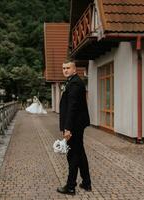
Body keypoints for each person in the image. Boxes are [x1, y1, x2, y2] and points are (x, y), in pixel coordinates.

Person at [57, 61, 91, 195]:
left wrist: (68, 128)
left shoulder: (75, 83)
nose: (65, 70)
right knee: (80, 154)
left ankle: (70, 186)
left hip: (74, 126)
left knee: (73, 155)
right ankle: (86, 183)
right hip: (76, 124)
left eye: (68, 68)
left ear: (74, 69)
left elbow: (72, 108)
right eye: (63, 68)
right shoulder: (72, 81)